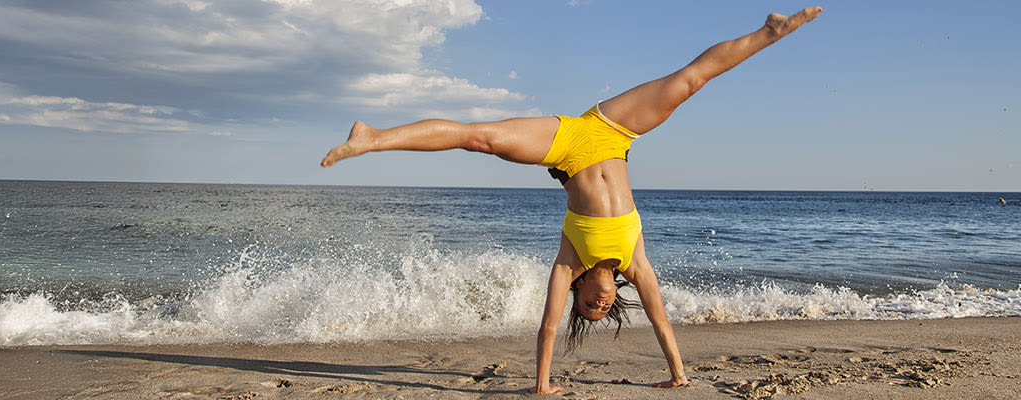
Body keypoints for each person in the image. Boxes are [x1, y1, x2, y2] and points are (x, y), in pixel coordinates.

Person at [319, 7, 822, 395]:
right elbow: (662, 321)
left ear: (581, 290)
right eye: (605, 308)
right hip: (612, 130)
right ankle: (770, 33)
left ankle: (372, 138)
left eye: (591, 306)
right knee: (690, 82)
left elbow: (548, 328)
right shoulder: (635, 263)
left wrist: (541, 385)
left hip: (568, 147)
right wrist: (679, 376)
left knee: (479, 138)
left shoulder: (569, 261)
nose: (600, 303)